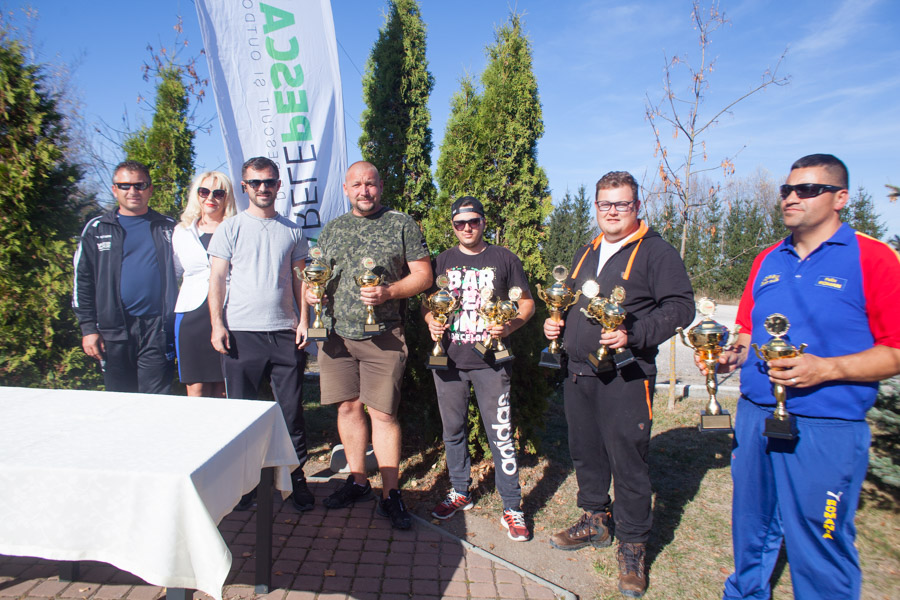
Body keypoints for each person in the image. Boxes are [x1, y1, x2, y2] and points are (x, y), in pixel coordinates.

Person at [697, 154, 900, 600]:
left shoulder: (873, 258)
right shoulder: (768, 259)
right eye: (787, 190)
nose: (791, 197)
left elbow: (895, 350)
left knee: (819, 541)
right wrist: (729, 356)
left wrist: (827, 368)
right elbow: (747, 332)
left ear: (840, 198)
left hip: (826, 424)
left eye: (807, 189)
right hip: (756, 415)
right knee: (751, 525)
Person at [543, 171, 694, 598]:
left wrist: (635, 334)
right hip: (579, 371)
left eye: (621, 204)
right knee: (586, 453)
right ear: (596, 207)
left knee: (628, 461)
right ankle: (595, 519)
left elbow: (681, 307)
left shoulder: (656, 252)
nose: (612, 212)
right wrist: (556, 324)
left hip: (627, 375)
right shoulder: (586, 251)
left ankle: (633, 544)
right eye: (605, 204)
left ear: (637, 207)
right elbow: (568, 298)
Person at [307, 161, 432, 530]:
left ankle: (391, 493)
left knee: (383, 414)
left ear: (380, 186)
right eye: (357, 184)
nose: (365, 191)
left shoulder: (401, 224)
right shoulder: (333, 229)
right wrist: (311, 296)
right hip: (336, 336)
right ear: (346, 189)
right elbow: (314, 276)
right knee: (348, 408)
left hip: (384, 336)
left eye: (371, 184)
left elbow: (424, 275)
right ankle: (359, 481)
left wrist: (389, 292)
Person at [423, 196, 535, 542]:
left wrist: (510, 325)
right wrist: (430, 322)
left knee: (500, 434)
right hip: (449, 361)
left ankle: (512, 506)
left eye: (473, 221)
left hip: (491, 363)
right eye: (460, 223)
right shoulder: (441, 261)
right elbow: (427, 305)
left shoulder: (504, 258)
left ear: (484, 222)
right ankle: (460, 491)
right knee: (453, 430)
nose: (467, 228)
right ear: (453, 226)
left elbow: (527, 303)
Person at [207, 156, 313, 512]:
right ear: (245, 187)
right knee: (240, 417)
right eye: (255, 182)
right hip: (241, 334)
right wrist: (217, 324)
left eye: (269, 182)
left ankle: (296, 480)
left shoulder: (293, 230)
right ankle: (244, 485)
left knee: (291, 415)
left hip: (285, 333)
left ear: (279, 185)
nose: (263, 188)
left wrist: (304, 321)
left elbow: (301, 280)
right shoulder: (230, 228)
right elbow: (217, 279)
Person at [73, 160, 177, 394]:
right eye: (125, 186)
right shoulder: (97, 228)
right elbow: (83, 281)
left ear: (150, 189)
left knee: (156, 401)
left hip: (157, 329)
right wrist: (88, 329)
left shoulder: (168, 227)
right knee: (120, 401)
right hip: (114, 330)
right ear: (114, 189)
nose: (133, 191)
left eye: (140, 185)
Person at [173, 171, 237, 398]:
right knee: (196, 387)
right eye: (204, 191)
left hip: (229, 312)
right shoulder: (181, 231)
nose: (211, 197)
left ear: (227, 197)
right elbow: (174, 272)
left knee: (223, 388)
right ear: (196, 194)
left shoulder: (236, 228)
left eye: (218, 193)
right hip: (191, 315)